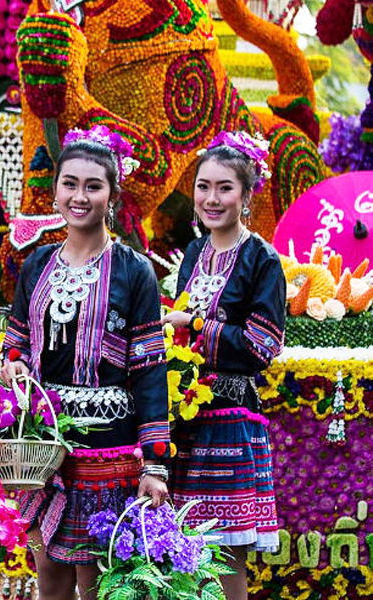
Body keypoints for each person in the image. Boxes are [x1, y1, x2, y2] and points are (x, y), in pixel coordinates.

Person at [0, 126, 170, 600]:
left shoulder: (135, 271)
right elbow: (15, 344)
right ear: (54, 191)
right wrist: (14, 364)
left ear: (112, 195)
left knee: (99, 580)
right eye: (69, 183)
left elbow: (150, 370)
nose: (79, 196)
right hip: (42, 446)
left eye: (92, 186)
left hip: (108, 449)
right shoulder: (35, 265)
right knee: (49, 573)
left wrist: (154, 464)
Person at [163, 131, 285, 600]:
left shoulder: (262, 260)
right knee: (184, 544)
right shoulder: (193, 253)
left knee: (225, 551)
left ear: (246, 195)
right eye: (203, 186)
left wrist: (193, 324)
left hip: (232, 420)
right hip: (186, 417)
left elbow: (261, 345)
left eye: (225, 187)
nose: (211, 199)